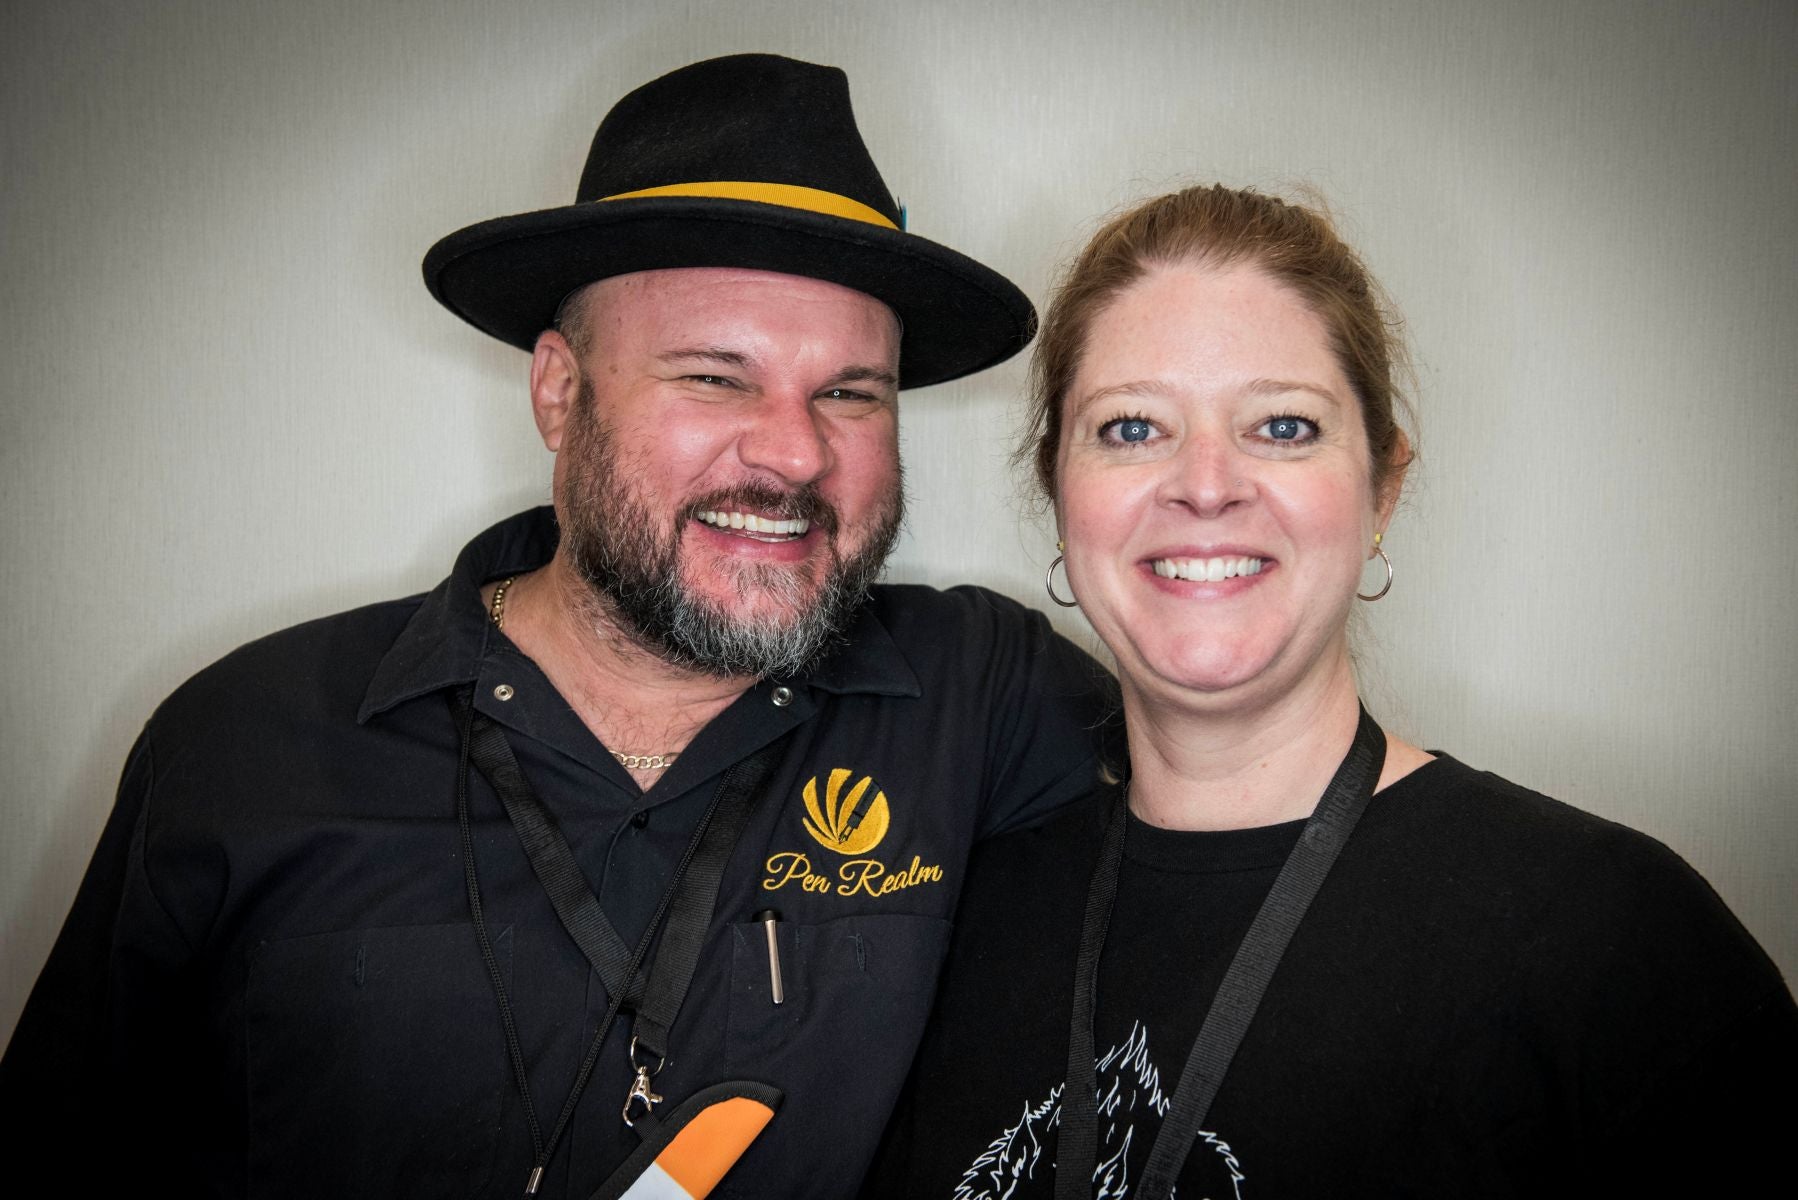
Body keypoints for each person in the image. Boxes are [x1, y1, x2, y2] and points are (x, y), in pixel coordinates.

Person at [0, 55, 1116, 1199]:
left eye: (849, 392)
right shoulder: (243, 744)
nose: (794, 452)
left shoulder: (987, 701)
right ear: (558, 392)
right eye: (714, 378)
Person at [867, 185, 1798, 1198]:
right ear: (1059, 491)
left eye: (1282, 425)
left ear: (1381, 491)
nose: (1206, 484)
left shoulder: (1611, 937)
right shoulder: (953, 916)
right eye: (1131, 428)